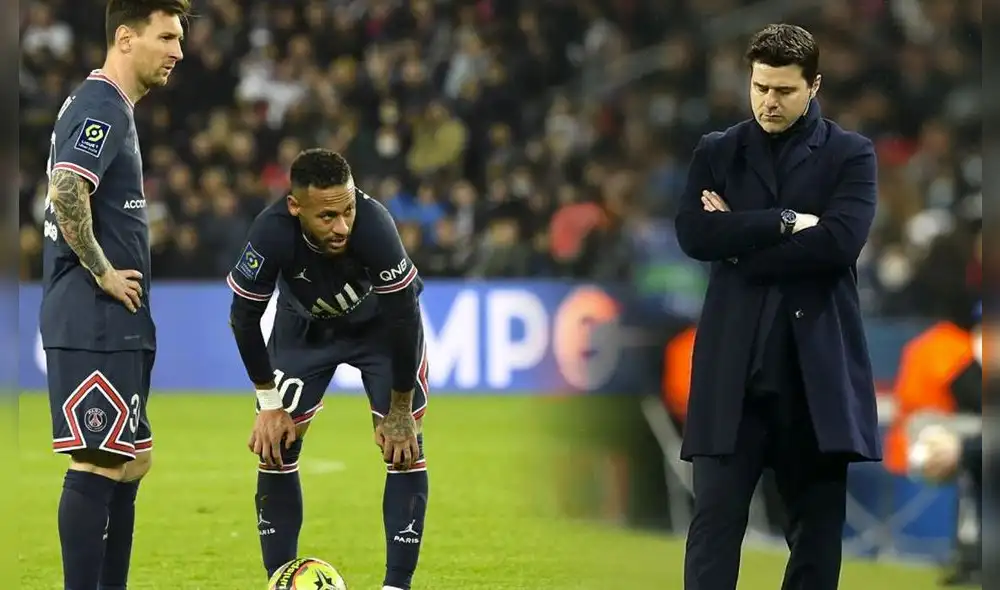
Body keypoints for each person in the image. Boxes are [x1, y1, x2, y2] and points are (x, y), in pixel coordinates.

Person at [674, 24, 881, 590]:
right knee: (713, 528)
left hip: (814, 375)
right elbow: (694, 235)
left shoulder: (850, 154)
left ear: (814, 86)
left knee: (815, 539)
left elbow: (839, 243)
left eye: (784, 90)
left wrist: (738, 243)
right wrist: (784, 222)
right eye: (760, 87)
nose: (769, 100)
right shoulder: (718, 150)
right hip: (731, 375)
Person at [227, 149, 429, 590]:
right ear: (295, 206)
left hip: (379, 331)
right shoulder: (271, 232)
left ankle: (396, 586)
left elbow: (404, 319)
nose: (342, 227)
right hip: (304, 331)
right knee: (275, 446)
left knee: (404, 448)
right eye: (327, 216)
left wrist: (400, 410)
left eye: (348, 210)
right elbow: (243, 317)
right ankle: (281, 580)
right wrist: (268, 403)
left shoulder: (375, 225)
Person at [39, 1, 187, 589]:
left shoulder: (110, 105)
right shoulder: (100, 102)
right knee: (98, 462)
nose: (178, 52)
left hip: (114, 319)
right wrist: (102, 270)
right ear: (126, 38)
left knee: (131, 460)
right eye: (166, 37)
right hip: (92, 315)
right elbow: (66, 187)